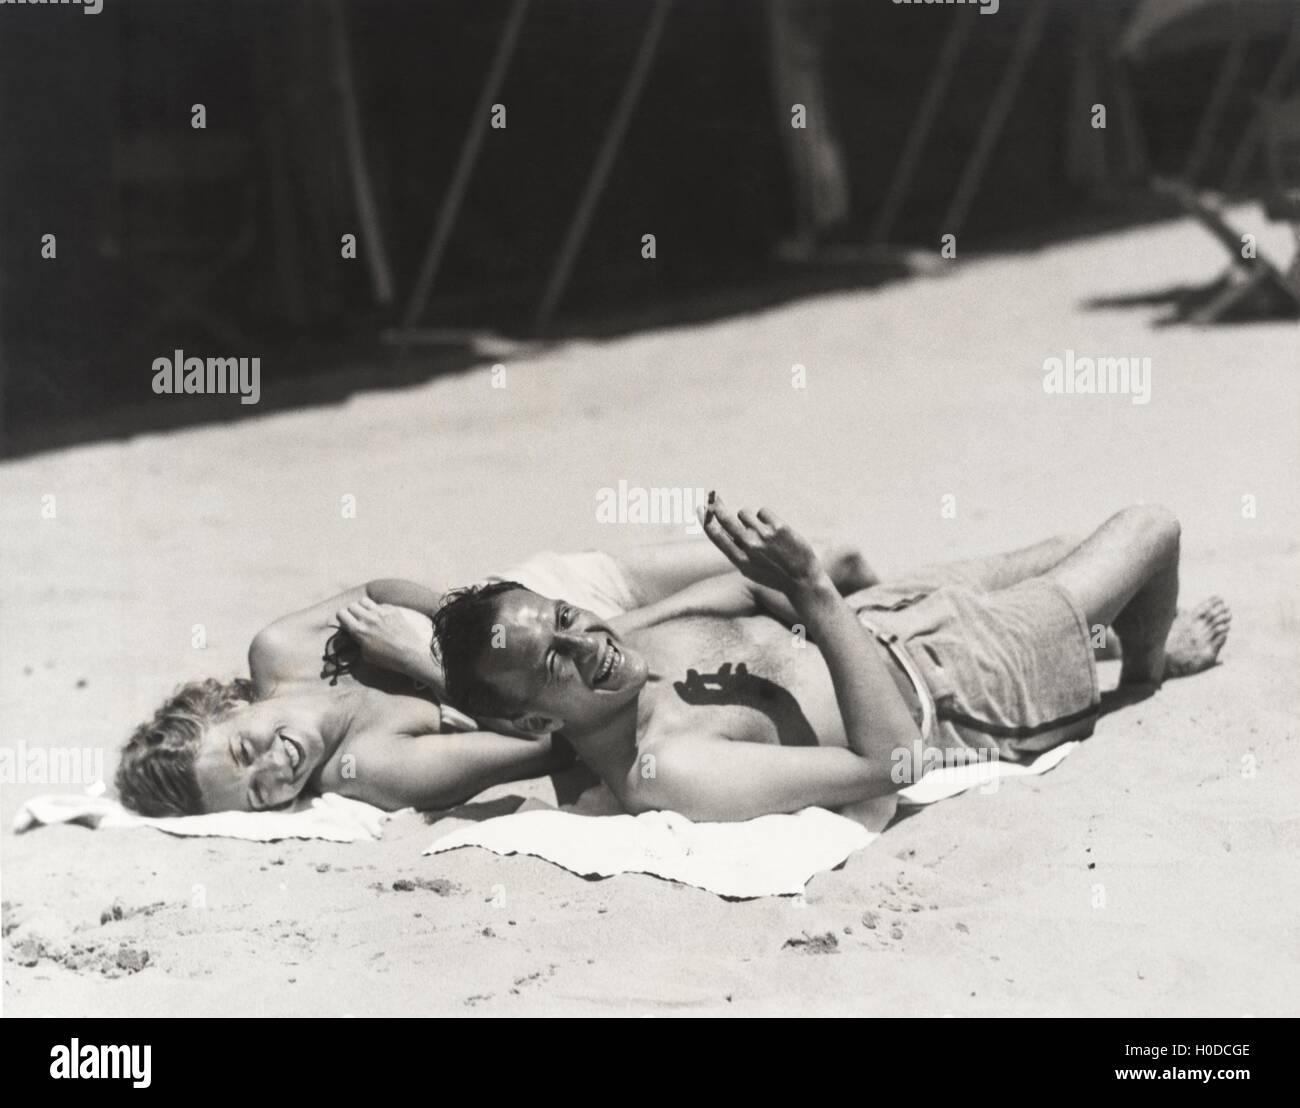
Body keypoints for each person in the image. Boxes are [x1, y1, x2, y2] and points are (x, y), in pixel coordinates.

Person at [431, 497, 1231, 823]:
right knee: (1148, 529)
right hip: (958, 685)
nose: (587, 642)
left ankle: (1108, 630)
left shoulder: (613, 656)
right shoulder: (671, 770)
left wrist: (786, 577)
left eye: (568, 618)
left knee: (1062, 548)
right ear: (535, 715)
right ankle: (1149, 667)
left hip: (881, 619)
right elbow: (896, 764)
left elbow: (740, 596)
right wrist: (811, 590)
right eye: (555, 661)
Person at [114, 539, 875, 816]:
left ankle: (858, 615)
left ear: (221, 707)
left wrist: (445, 625)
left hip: (517, 607)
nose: (276, 772)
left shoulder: (278, 648)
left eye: (245, 754)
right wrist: (428, 670)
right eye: (256, 798)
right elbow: (550, 748)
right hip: (541, 675)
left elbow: (390, 590)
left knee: (818, 565)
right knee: (797, 600)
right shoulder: (375, 769)